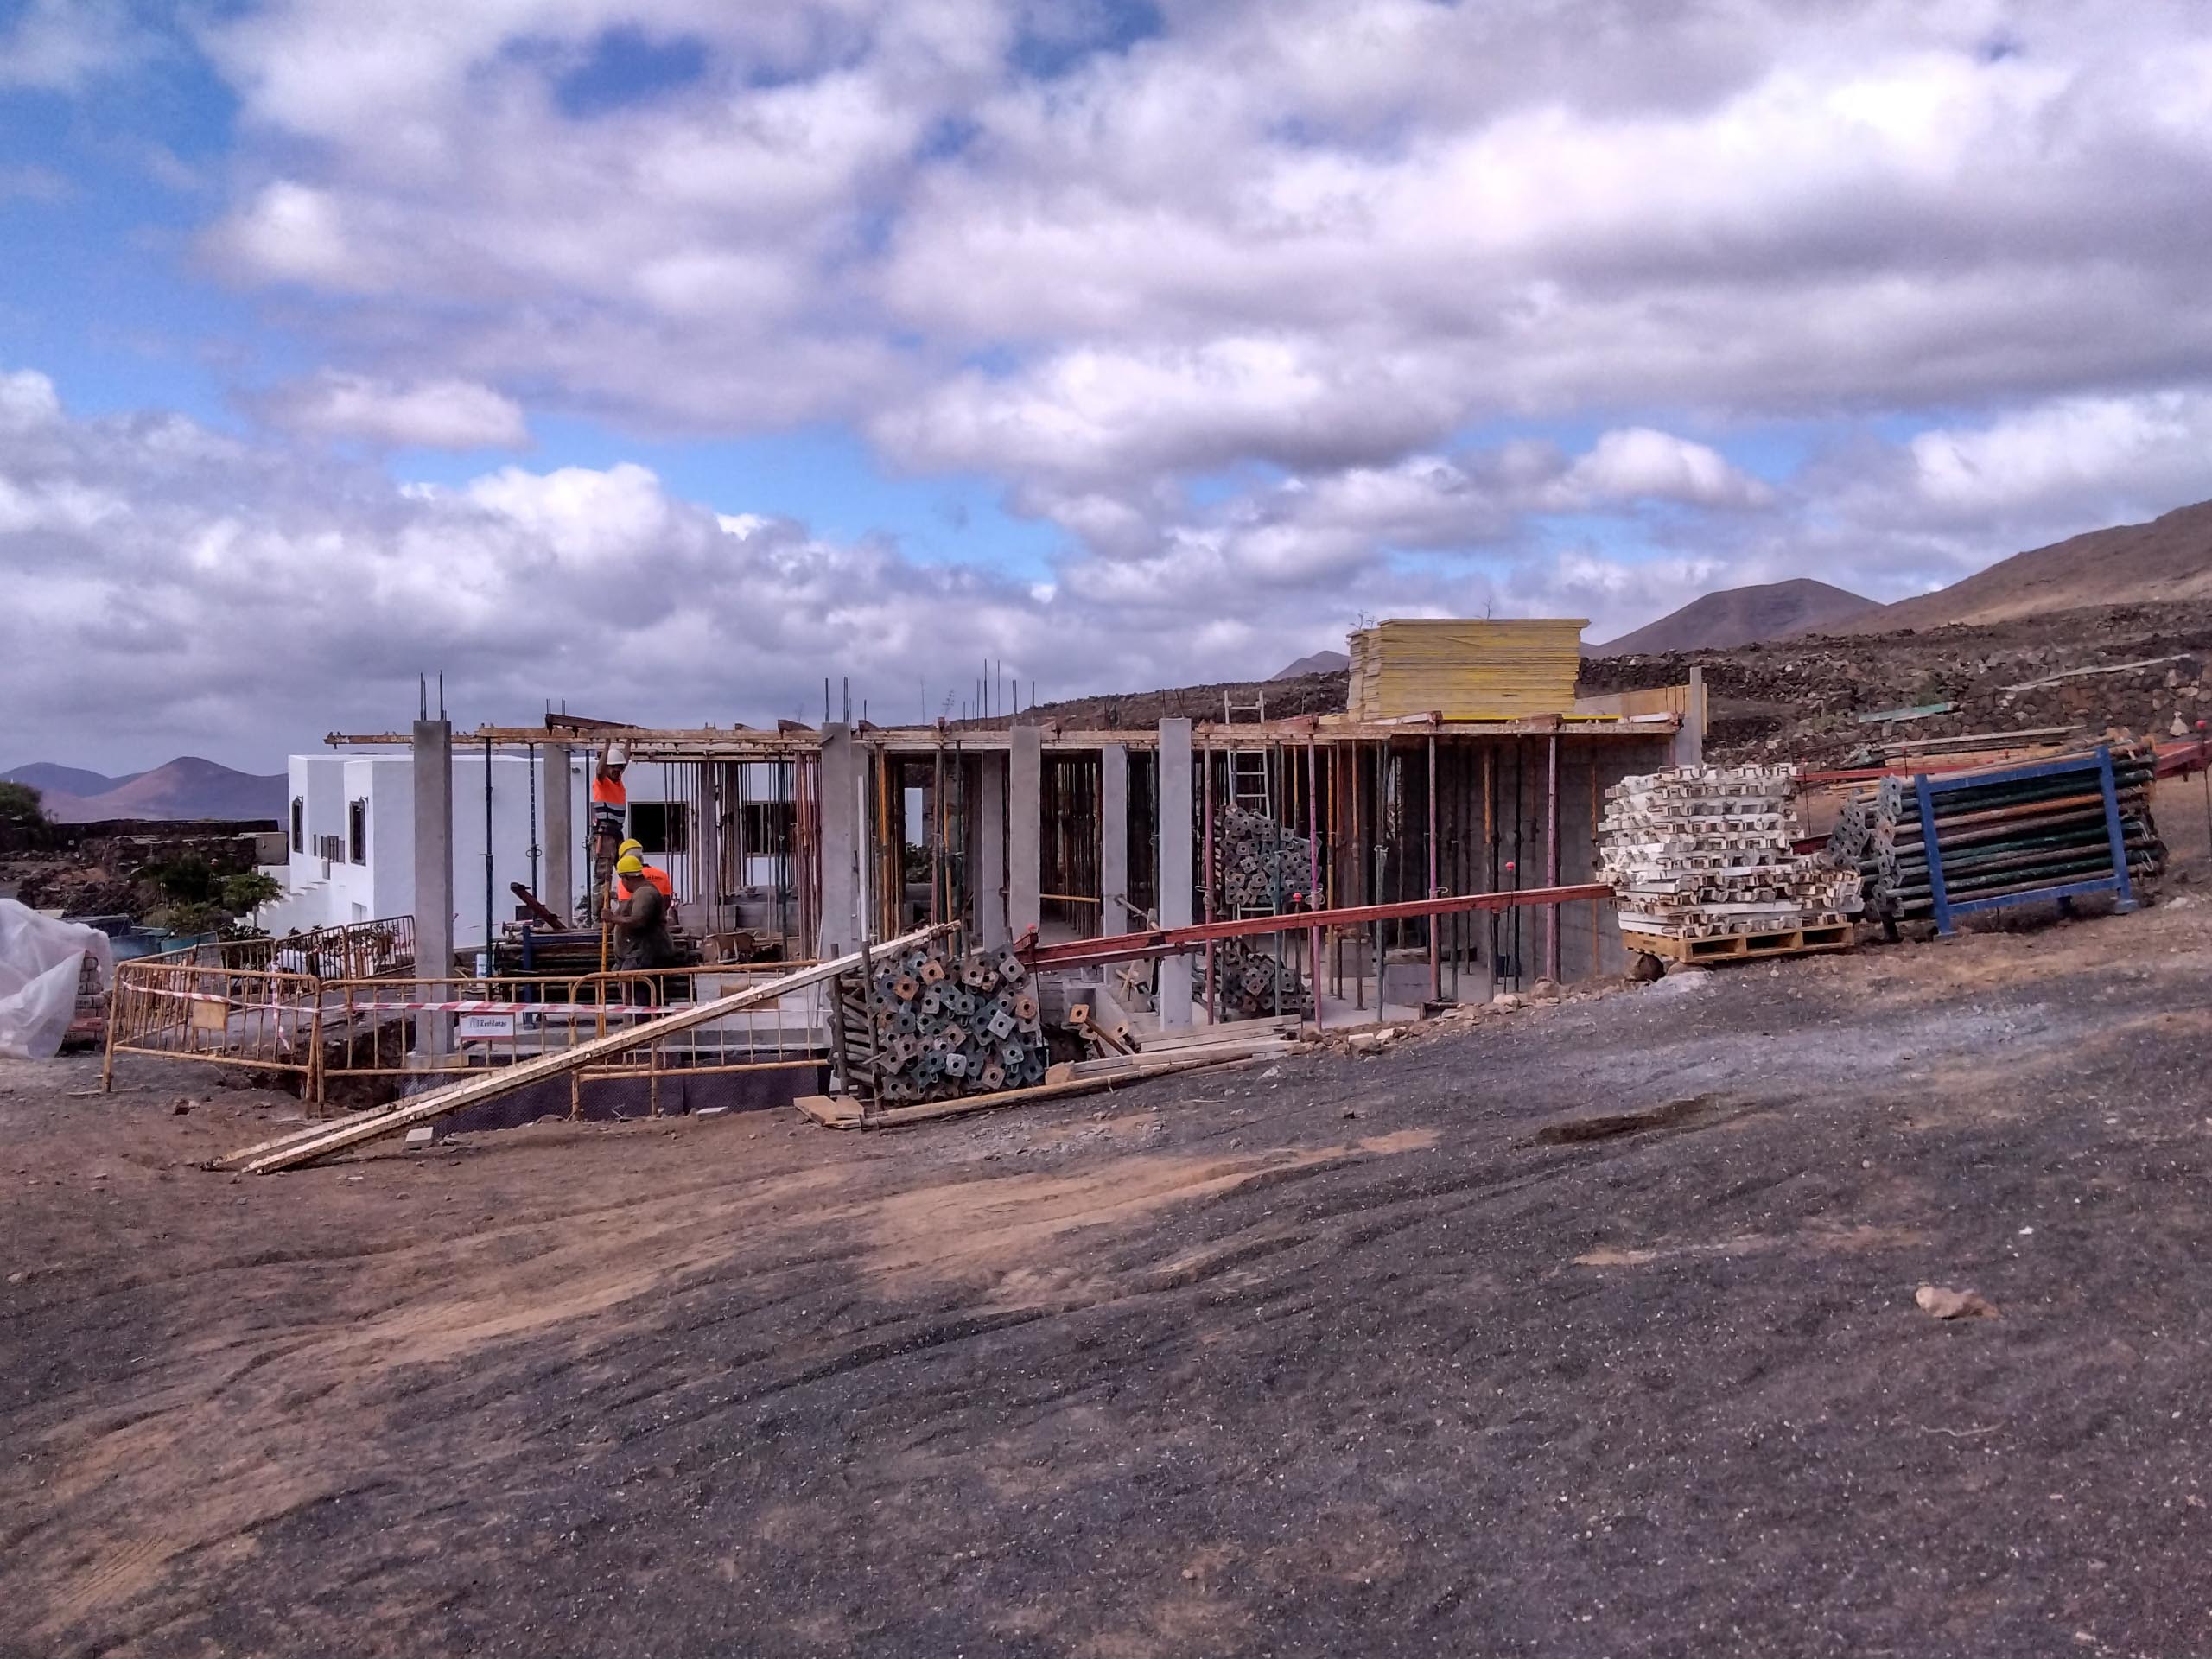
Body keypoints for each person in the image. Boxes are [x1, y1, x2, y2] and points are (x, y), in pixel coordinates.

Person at [608, 853, 675, 998]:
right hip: (640, 954)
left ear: (626, 877)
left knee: (636, 992)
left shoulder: (645, 894)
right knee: (631, 988)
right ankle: (638, 1018)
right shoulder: (640, 893)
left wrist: (614, 918)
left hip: (644, 955)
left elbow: (639, 920)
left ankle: (641, 1020)